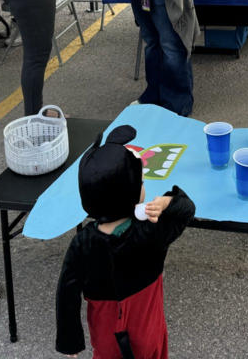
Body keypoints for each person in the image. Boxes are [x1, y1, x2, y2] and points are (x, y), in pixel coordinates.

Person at [56, 125, 195, 359]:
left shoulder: (82, 243)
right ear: (130, 193)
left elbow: (67, 290)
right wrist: (166, 202)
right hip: (147, 328)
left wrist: (70, 341)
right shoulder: (151, 230)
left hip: (106, 334)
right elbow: (187, 210)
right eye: (141, 183)